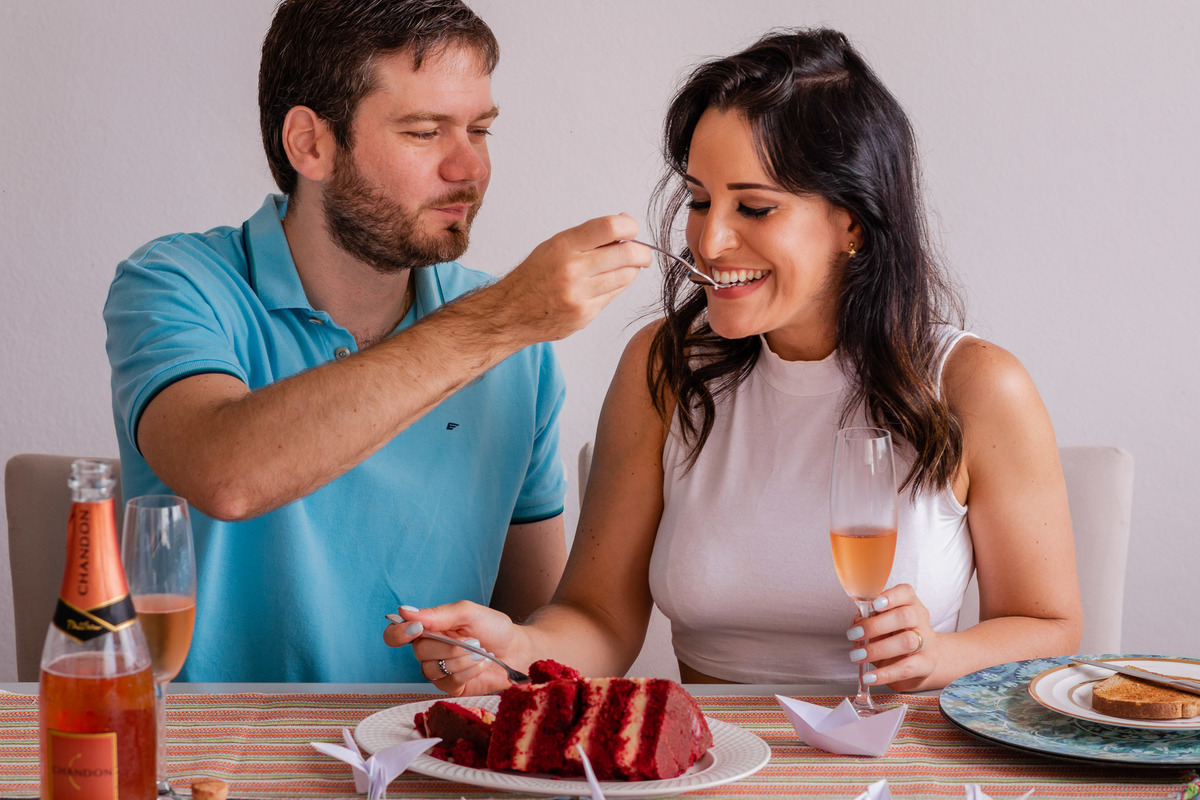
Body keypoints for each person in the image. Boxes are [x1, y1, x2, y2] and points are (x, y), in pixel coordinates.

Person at [386, 28, 1083, 693]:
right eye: (698, 199)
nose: (709, 241)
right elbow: (598, 619)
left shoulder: (975, 385)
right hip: (719, 764)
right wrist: (518, 649)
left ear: (853, 224)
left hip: (901, 765)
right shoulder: (662, 368)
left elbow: (1051, 626)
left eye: (753, 207)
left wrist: (943, 656)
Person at [103, 0, 651, 683]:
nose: (468, 168)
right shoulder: (176, 283)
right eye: (425, 132)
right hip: (213, 761)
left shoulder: (519, 346)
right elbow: (227, 475)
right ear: (309, 143)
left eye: (479, 129)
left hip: (433, 764)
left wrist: (505, 662)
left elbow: (528, 639)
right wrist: (503, 318)